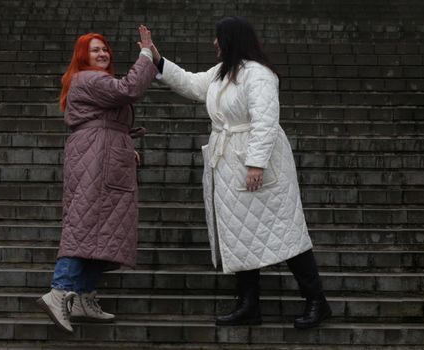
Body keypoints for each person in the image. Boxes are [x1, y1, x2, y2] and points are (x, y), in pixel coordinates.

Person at [144, 17, 332, 329]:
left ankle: (317, 301)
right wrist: (158, 60)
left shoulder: (258, 74)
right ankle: (249, 305)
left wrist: (256, 163)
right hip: (229, 165)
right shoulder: (222, 74)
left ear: (232, 39)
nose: (214, 43)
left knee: (287, 232)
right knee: (239, 234)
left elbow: (266, 120)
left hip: (258, 166)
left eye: (218, 38)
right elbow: (192, 84)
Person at [36, 27, 158, 333]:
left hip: (101, 152)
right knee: (85, 223)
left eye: (104, 49)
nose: (102, 53)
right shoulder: (87, 78)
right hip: (95, 156)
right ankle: (59, 291)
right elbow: (129, 89)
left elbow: (110, 119)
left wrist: (123, 147)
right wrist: (146, 53)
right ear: (82, 56)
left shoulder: (91, 81)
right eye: (95, 50)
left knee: (101, 229)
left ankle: (84, 297)